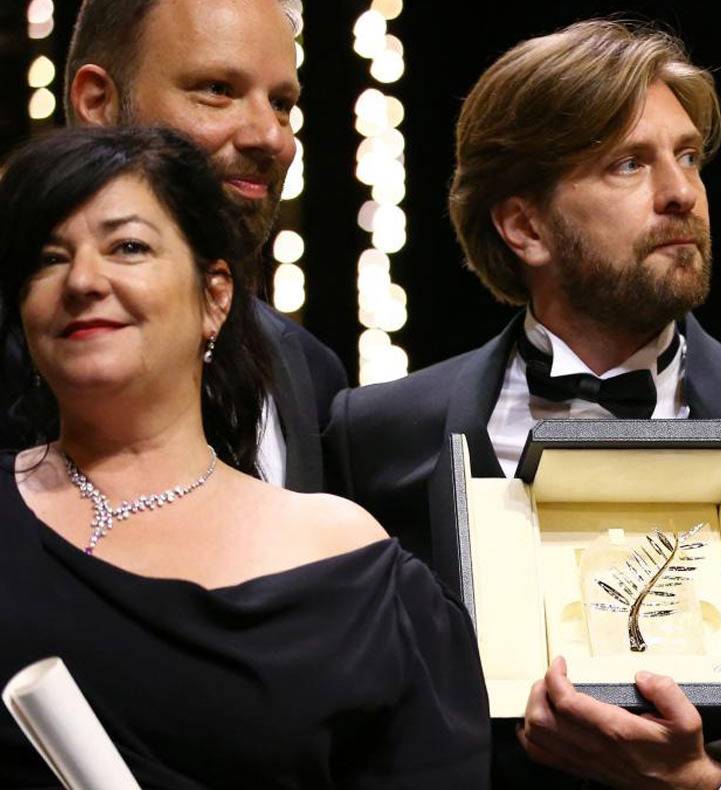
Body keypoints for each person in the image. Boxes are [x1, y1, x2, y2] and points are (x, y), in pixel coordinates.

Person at [322, 19, 721, 789]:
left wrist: (710, 780)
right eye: (629, 164)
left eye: (687, 156)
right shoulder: (377, 438)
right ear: (524, 225)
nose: (681, 193)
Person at [0, 126, 488, 787]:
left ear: (215, 296)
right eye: (48, 258)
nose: (83, 279)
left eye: (128, 247)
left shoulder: (356, 573)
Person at [10, 0, 347, 491]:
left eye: (281, 104)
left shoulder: (311, 373)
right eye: (217, 90)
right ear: (98, 103)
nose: (271, 137)